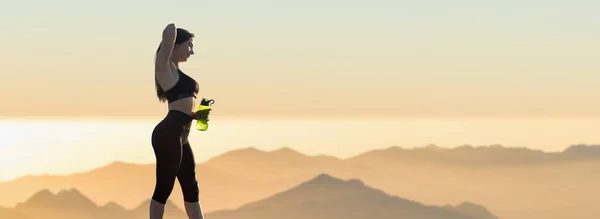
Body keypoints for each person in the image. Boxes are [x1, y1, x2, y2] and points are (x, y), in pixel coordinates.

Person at [150, 23, 210, 219]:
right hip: (168, 134)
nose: (192, 51)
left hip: (182, 135)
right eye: (189, 45)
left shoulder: (176, 72)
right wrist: (172, 40)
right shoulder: (164, 68)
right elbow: (169, 30)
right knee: (164, 186)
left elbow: (182, 108)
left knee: (191, 187)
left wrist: (197, 114)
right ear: (176, 45)